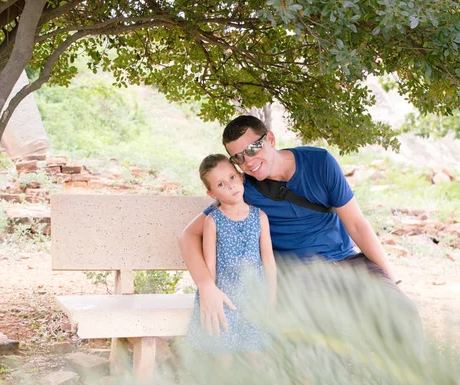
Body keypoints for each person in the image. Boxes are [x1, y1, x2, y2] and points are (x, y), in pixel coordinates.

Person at [179, 115, 421, 342]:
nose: (249, 162)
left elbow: (357, 225)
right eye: (238, 158)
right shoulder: (244, 191)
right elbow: (189, 235)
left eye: (253, 149)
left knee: (401, 311)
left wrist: (390, 281)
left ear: (270, 139)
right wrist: (206, 286)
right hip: (297, 274)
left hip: (347, 261)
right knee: (323, 325)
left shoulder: (320, 163)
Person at [185, 154, 277, 362]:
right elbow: (210, 266)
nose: (230, 186)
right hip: (226, 295)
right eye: (220, 184)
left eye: (232, 178)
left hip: (254, 293)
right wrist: (209, 297)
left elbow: (268, 261)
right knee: (223, 355)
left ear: (241, 177)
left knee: (258, 356)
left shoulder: (260, 217)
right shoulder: (212, 220)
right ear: (211, 193)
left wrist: (271, 297)